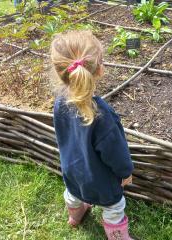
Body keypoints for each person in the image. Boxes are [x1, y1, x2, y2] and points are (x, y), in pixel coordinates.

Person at [51, 30, 134, 240]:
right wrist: (126, 172)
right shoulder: (102, 116)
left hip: (72, 172)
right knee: (114, 207)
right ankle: (117, 237)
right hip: (102, 181)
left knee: (72, 196)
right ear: (99, 70)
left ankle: (76, 216)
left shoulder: (60, 103)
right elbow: (115, 152)